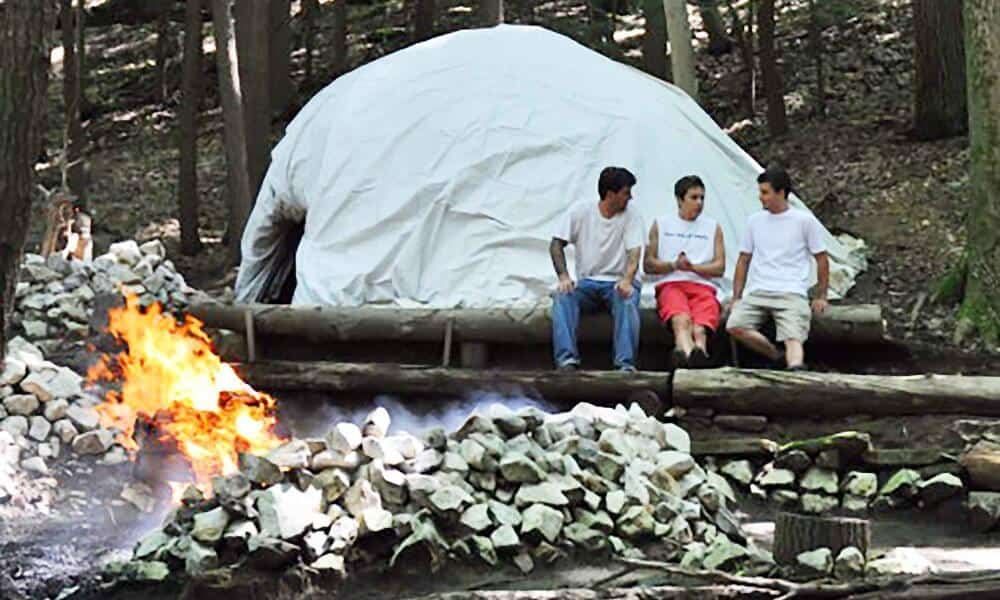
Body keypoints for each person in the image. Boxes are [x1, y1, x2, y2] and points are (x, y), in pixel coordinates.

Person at [726, 167, 829, 370]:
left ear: (781, 193)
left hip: (791, 291)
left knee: (793, 335)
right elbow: (743, 260)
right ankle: (776, 356)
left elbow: (822, 259)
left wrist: (821, 295)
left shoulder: (804, 221)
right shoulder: (755, 221)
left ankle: (796, 368)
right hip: (759, 289)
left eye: (765, 192)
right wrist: (737, 296)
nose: (760, 197)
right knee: (735, 325)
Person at [550, 166, 644, 372]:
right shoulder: (580, 211)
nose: (630, 198)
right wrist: (564, 276)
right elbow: (556, 244)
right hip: (588, 282)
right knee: (563, 297)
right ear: (610, 194)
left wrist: (627, 279)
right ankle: (566, 361)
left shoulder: (632, 215)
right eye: (626, 193)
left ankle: (625, 365)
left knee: (627, 299)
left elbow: (634, 253)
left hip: (618, 282)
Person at [644, 175, 725, 367]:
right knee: (681, 321)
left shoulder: (713, 227)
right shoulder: (661, 224)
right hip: (671, 283)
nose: (699, 203)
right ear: (680, 199)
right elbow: (648, 264)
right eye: (694, 197)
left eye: (702, 198)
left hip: (703, 285)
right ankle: (691, 359)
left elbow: (720, 267)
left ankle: (691, 354)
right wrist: (674, 265)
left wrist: (694, 267)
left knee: (700, 329)